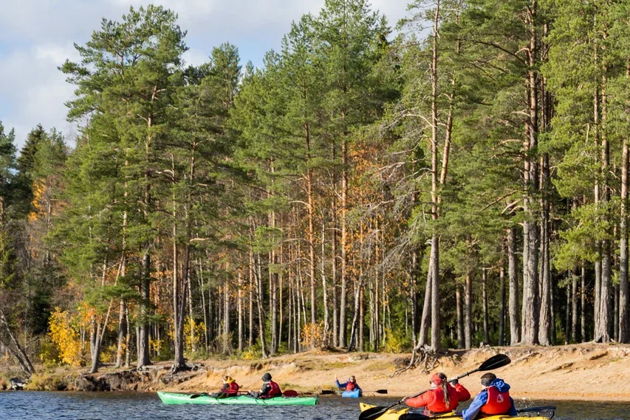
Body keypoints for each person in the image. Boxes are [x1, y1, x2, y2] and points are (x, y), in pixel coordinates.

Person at [402, 372, 470, 416]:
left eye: (430, 382)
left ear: (434, 383)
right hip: (449, 414)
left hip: (433, 416)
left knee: (412, 413)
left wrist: (406, 400)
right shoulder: (454, 391)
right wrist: (456, 384)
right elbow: (466, 396)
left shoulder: (430, 394)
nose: (430, 384)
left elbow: (416, 403)